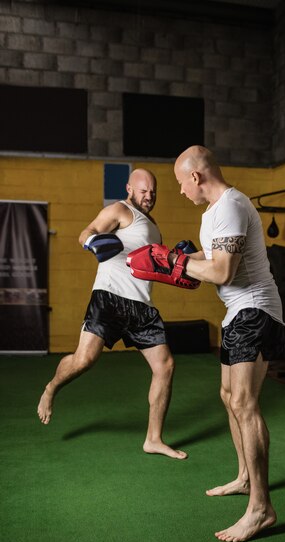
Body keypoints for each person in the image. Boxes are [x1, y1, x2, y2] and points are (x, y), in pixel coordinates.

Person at [173, 146, 285, 541]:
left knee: (244, 402)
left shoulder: (232, 206)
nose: (181, 192)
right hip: (238, 312)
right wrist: (179, 258)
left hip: (255, 310)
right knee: (227, 395)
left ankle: (260, 508)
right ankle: (244, 478)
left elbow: (222, 270)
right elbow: (215, 253)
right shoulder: (213, 213)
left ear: (196, 177)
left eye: (181, 184)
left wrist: (180, 265)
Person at [37, 168, 187, 460]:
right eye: (143, 191)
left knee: (165, 366)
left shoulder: (154, 227)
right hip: (109, 297)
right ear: (130, 188)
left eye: (153, 192)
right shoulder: (120, 209)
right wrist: (93, 242)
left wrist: (176, 263)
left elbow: (152, 267)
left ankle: (153, 439)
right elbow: (87, 232)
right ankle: (51, 387)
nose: (149, 197)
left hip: (142, 305)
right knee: (84, 360)